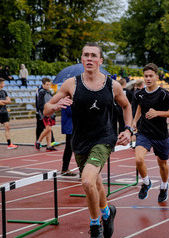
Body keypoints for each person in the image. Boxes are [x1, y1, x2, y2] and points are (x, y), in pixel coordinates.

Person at [43, 42, 132, 238]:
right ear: (82, 59)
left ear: (100, 60)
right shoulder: (71, 84)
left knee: (86, 181)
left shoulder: (112, 85)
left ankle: (94, 225)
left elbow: (126, 106)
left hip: (104, 138)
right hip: (80, 140)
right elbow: (46, 109)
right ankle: (108, 213)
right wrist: (56, 106)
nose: (89, 58)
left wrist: (128, 129)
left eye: (93, 55)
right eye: (86, 55)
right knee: (95, 183)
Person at [133, 63, 169, 203]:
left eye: (151, 76)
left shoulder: (164, 94)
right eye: (146, 76)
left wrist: (157, 113)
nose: (148, 79)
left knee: (162, 163)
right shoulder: (139, 94)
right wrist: (134, 121)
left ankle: (163, 186)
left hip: (160, 135)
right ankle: (146, 183)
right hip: (144, 133)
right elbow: (140, 107)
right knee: (139, 159)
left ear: (157, 77)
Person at [0, 78, 18, 150]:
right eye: (3, 83)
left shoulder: (4, 92)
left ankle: (9, 143)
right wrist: (5, 101)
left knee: (7, 127)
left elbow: (9, 101)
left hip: (4, 112)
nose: (4, 84)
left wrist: (2, 101)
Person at [35, 77, 57, 152]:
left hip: (51, 113)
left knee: (49, 130)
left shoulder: (49, 92)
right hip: (45, 113)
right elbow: (40, 105)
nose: (48, 86)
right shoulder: (41, 92)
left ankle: (49, 145)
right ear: (43, 85)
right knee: (48, 128)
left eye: (49, 85)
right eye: (47, 85)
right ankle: (38, 141)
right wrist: (44, 112)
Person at [60, 105, 78, 176]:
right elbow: (71, 112)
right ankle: (65, 169)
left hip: (72, 127)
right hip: (70, 128)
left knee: (70, 149)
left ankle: (65, 169)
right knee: (71, 148)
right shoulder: (67, 100)